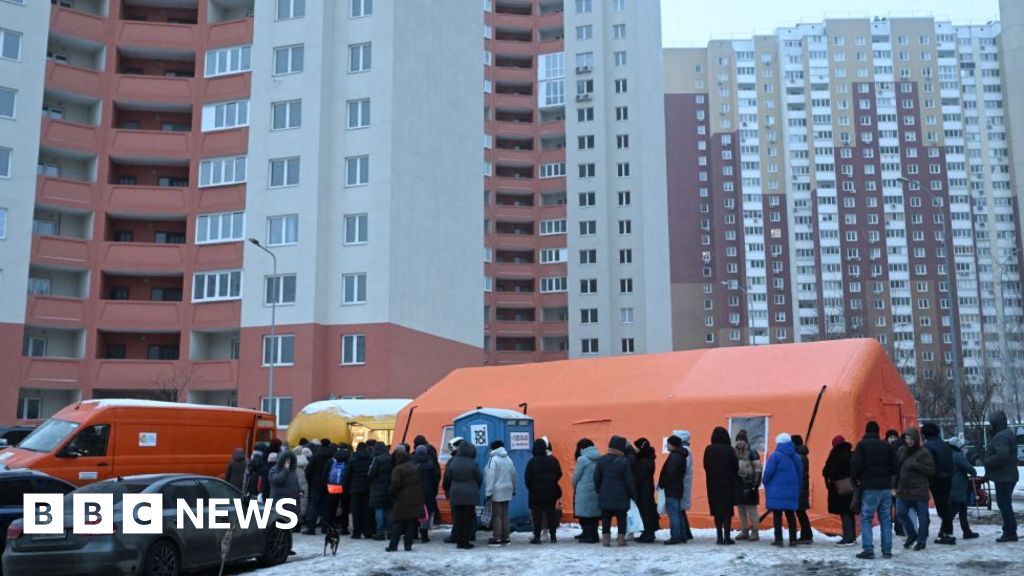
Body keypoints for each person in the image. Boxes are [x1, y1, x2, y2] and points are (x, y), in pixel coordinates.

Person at [852, 421, 897, 560]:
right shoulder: (886, 446)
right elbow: (895, 466)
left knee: (866, 518)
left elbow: (856, 465)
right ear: (878, 431)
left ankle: (868, 550)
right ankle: (887, 550)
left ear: (866, 431)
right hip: (885, 487)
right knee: (886, 519)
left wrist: (859, 478)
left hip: (869, 487)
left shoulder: (861, 445)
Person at [895, 427, 935, 551]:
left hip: (919, 490)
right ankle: (912, 534)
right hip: (903, 489)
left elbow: (931, 470)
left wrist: (917, 465)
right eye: (907, 438)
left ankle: (921, 540)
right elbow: (896, 468)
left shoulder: (924, 452)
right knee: (900, 513)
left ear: (916, 439)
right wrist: (894, 484)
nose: (909, 441)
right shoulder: (902, 451)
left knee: (923, 517)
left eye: (911, 439)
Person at [594, 435, 637, 547]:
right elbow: (629, 481)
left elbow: (596, 478)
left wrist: (599, 490)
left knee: (606, 518)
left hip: (605, 494)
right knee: (622, 518)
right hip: (622, 495)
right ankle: (621, 540)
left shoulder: (601, 460)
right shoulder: (624, 462)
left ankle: (606, 540)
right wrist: (634, 495)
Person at [984, 410, 1020, 542]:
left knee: (1004, 505)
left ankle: (1010, 532)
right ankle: (1010, 530)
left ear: (995, 423)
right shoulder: (1007, 433)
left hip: (1004, 477)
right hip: (1007, 475)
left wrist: (987, 461)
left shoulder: (1000, 436)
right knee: (1006, 505)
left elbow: (1001, 455)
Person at [763, 432, 802, 547]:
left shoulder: (775, 456)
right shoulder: (796, 457)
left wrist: (765, 481)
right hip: (792, 491)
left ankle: (778, 539)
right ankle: (793, 539)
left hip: (776, 491)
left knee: (777, 515)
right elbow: (800, 475)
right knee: (791, 515)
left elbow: (768, 473)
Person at [443, 441, 482, 549]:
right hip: (470, 493)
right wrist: (475, 487)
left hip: (455, 492)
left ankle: (459, 542)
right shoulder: (473, 463)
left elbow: (448, 478)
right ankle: (466, 542)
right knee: (468, 518)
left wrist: (449, 489)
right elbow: (479, 478)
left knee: (458, 518)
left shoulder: (453, 462)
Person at [921, 422, 955, 545]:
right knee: (945, 505)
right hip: (948, 478)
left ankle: (947, 534)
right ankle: (947, 532)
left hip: (936, 480)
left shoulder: (928, 447)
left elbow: (929, 465)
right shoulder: (944, 445)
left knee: (942, 508)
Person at [704, 426, 739, 545]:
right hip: (728, 483)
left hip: (713, 483)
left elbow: (705, 466)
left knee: (717, 511)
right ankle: (727, 537)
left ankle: (719, 536)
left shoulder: (709, 449)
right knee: (727, 511)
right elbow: (735, 467)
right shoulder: (729, 449)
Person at [525, 438, 563, 544]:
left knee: (537, 514)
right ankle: (553, 536)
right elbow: (559, 473)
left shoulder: (532, 462)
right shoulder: (553, 460)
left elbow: (527, 478)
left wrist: (531, 488)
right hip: (551, 491)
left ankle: (537, 536)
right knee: (551, 513)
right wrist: (552, 481)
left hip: (536, 492)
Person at [387, 449, 425, 552]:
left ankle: (393, 545)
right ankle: (408, 545)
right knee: (410, 524)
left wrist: (391, 494)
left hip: (402, 500)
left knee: (398, 524)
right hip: (415, 499)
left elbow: (395, 485)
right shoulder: (414, 467)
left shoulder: (398, 469)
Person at [822, 435, 855, 546]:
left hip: (839, 488)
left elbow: (828, 471)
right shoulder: (851, 453)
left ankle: (847, 538)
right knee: (850, 511)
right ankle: (852, 536)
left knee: (844, 512)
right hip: (851, 486)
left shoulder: (835, 454)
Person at [483, 440, 517, 546]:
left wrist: (488, 492)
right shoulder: (508, 459)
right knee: (505, 514)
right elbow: (514, 475)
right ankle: (506, 537)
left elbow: (490, 477)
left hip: (497, 491)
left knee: (496, 515)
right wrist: (514, 489)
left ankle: (496, 538)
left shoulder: (493, 459)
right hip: (507, 490)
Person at [947, 437, 979, 540]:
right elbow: (968, 468)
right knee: (954, 510)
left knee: (962, 510)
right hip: (958, 487)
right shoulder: (958, 455)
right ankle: (943, 531)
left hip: (952, 486)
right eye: (962, 447)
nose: (964, 449)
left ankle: (966, 531)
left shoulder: (948, 454)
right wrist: (973, 472)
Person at [658, 434, 688, 545]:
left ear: (673, 445)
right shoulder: (680, 455)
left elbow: (669, 473)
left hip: (672, 488)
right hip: (677, 487)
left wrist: (662, 483)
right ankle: (682, 535)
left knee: (673, 513)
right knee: (678, 512)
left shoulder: (675, 456)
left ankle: (675, 536)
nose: (667, 446)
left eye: (668, 444)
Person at [733, 430, 762, 542]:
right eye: (738, 440)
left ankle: (755, 530)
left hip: (749, 483)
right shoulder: (734, 453)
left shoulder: (752, 453)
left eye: (742, 440)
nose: (739, 442)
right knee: (741, 509)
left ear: (746, 441)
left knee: (751, 509)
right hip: (738, 483)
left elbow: (758, 468)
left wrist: (756, 483)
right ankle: (744, 530)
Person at [572, 438, 601, 544]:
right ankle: (594, 534)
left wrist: (575, 487)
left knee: (585, 514)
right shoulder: (599, 458)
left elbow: (576, 476)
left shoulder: (582, 460)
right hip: (596, 490)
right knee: (594, 513)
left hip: (583, 490)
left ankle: (588, 535)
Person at [304, 439, 335, 535]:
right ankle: (325, 528)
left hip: (316, 484)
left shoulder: (316, 455)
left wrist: (311, 481)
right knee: (327, 506)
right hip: (329, 484)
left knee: (314, 506)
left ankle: (311, 528)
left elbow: (308, 471)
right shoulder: (333, 456)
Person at [344, 442, 374, 539]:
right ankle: (367, 531)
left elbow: (347, 474)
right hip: (367, 488)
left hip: (355, 488)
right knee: (367, 511)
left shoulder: (352, 459)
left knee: (356, 511)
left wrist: (346, 486)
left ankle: (357, 532)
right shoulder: (370, 458)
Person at [633, 438, 658, 543]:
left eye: (636, 447)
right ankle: (647, 533)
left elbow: (639, 478)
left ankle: (648, 534)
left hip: (644, 490)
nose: (635, 450)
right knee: (647, 511)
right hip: (647, 488)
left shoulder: (643, 462)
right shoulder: (648, 459)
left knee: (645, 512)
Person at [413, 435, 441, 529]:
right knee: (429, 507)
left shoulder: (413, 460)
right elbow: (435, 474)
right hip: (429, 486)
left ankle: (416, 529)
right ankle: (426, 528)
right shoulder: (431, 457)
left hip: (416, 488)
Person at [368, 443, 394, 541]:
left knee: (379, 510)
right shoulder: (391, 458)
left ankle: (380, 533)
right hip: (390, 488)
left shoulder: (376, 459)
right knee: (389, 510)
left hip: (377, 489)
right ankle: (390, 532)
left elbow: (371, 473)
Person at [269, 450, 302, 527]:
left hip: (291, 503)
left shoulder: (292, 471)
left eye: (290, 460)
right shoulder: (274, 470)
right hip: (280, 501)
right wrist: (285, 470)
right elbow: (277, 480)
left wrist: (300, 491)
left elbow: (296, 483)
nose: (288, 462)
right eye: (287, 460)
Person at [790, 435, 814, 544]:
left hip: (799, 488)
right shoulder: (802, 455)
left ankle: (806, 535)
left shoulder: (798, 456)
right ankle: (806, 534)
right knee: (801, 512)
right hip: (802, 488)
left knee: (800, 512)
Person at [325, 447, 350, 533]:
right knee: (344, 508)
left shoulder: (331, 463)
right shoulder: (347, 464)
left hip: (332, 488)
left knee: (331, 508)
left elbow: (325, 475)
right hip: (344, 488)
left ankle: (330, 526)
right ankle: (344, 528)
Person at [885, 429, 905, 537]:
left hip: (897, 483)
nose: (892, 439)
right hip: (888, 483)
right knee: (888, 506)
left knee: (898, 505)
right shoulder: (884, 449)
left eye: (894, 437)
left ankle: (899, 527)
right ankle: (888, 527)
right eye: (890, 437)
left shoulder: (900, 449)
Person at [678, 431, 695, 541]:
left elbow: (682, 467)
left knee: (679, 508)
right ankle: (686, 531)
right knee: (680, 509)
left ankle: (685, 532)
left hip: (682, 483)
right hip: (684, 483)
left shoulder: (684, 451)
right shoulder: (686, 450)